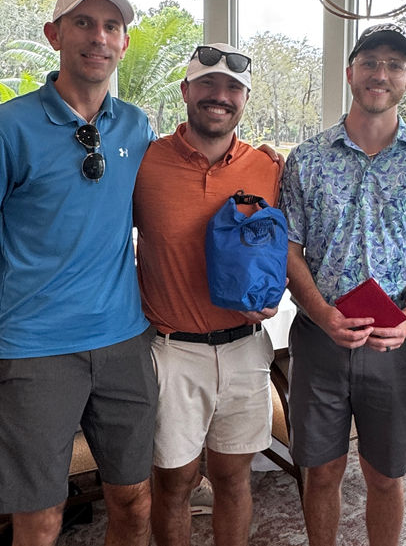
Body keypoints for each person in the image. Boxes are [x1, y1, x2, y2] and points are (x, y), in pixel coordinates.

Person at [0, 0, 156, 546]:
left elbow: (161, 208)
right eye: (83, 22)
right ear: (54, 34)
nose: (98, 37)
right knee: (39, 518)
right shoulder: (5, 127)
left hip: (124, 343)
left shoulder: (137, 126)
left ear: (124, 43)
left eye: (111, 26)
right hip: (34, 351)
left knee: (134, 501)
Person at [279, 24, 406, 545]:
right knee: (321, 472)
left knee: (385, 474)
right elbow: (290, 250)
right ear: (350, 72)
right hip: (319, 340)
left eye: (395, 65)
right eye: (371, 62)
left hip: (391, 344)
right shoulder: (307, 159)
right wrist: (322, 313)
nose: (381, 73)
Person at [133, 43, 282, 546]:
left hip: (245, 348)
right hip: (172, 351)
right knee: (174, 482)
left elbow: (286, 247)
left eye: (233, 88)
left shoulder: (269, 167)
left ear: (245, 99)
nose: (220, 96)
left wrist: (275, 291)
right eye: (207, 84)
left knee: (233, 478)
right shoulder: (146, 163)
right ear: (185, 91)